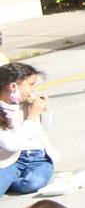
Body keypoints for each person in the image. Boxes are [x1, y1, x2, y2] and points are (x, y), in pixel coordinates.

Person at [0, 62, 57, 196]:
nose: (32, 90)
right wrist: (32, 116)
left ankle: (11, 181)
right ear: (13, 87)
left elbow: (43, 129)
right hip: (9, 160)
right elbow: (12, 144)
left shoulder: (25, 103)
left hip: (38, 158)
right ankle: (8, 180)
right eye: (30, 85)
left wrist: (43, 111)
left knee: (33, 183)